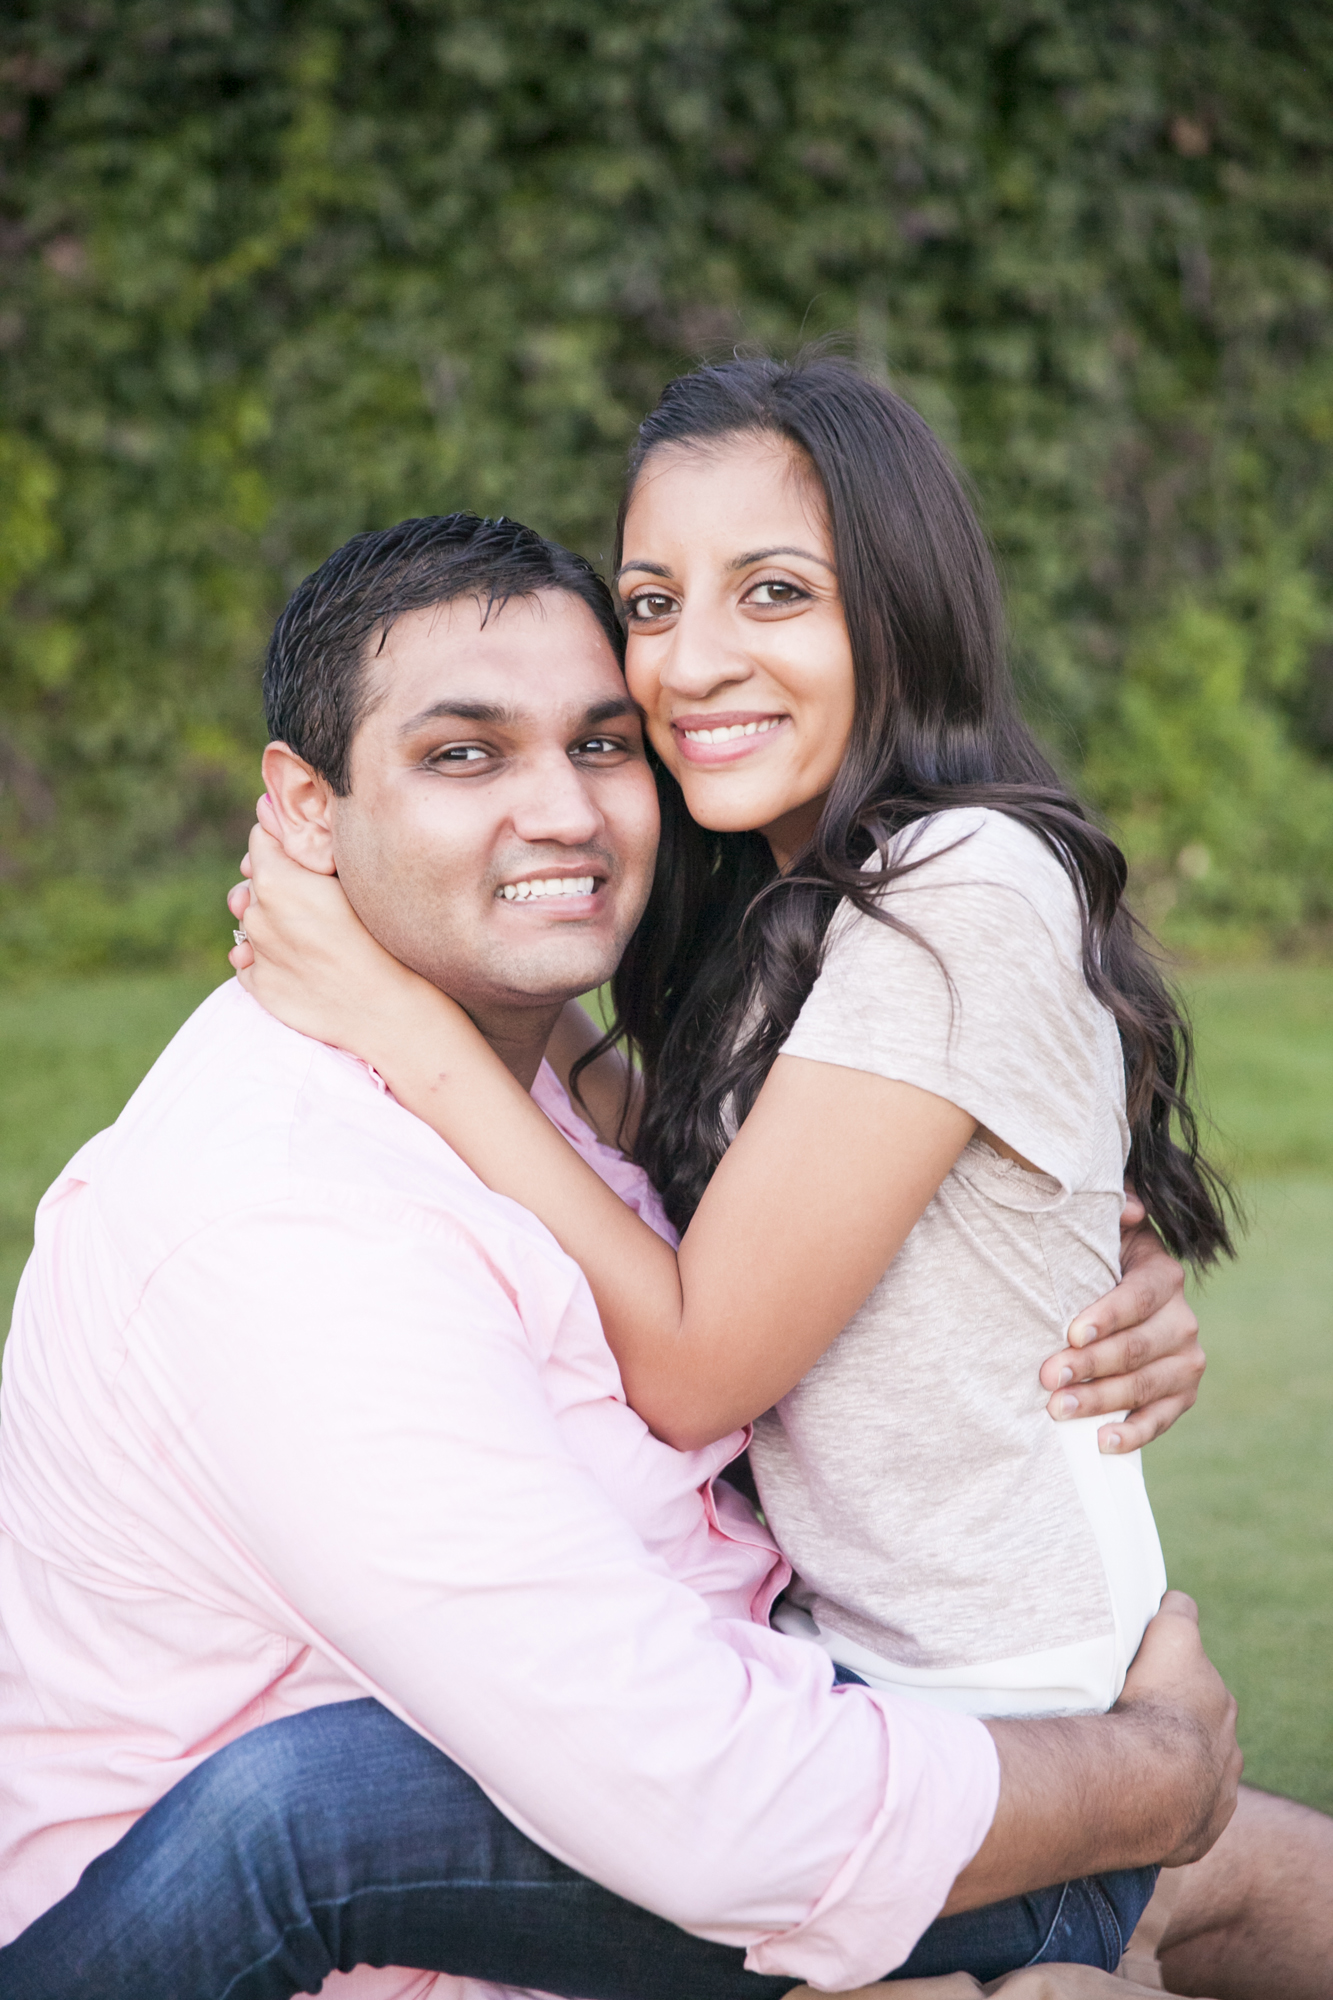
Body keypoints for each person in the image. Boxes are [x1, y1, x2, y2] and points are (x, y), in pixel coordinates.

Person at [0, 513, 1247, 2000]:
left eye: (601, 746)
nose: (566, 815)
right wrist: (1142, 1777)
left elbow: (768, 1260)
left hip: (646, 1820)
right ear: (306, 808)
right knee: (1108, 1923)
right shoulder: (283, 1221)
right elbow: (708, 1805)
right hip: (360, 1943)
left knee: (1226, 1875)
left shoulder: (538, 1085)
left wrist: (1050, 1293)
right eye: (463, 754)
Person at [227, 354, 1231, 1729]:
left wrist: (399, 1022)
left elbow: (699, 1369)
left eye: (774, 592)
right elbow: (713, 1166)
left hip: (992, 1706)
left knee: (323, 1818)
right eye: (651, 604)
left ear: (898, 610)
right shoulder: (790, 901)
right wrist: (434, 966)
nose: (688, 663)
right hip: (851, 1665)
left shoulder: (961, 882)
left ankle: (1041, 1958)